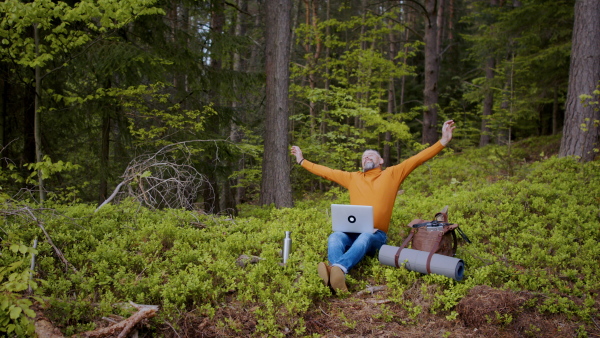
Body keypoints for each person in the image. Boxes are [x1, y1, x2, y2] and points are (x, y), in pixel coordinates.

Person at [290, 120, 456, 292]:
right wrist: (302, 160)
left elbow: (418, 159)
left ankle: (338, 269)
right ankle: (336, 278)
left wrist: (443, 141)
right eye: (363, 157)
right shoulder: (353, 177)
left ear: (381, 160)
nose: (366, 157)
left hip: (376, 237)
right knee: (335, 237)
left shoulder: (392, 174)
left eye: (370, 155)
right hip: (352, 234)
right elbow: (327, 172)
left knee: (366, 236)